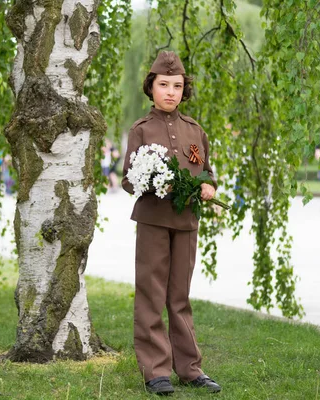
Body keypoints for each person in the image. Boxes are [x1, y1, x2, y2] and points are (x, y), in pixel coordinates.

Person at [122, 51, 221, 395]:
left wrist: (209, 184)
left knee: (180, 297)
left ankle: (190, 368)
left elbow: (206, 170)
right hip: (152, 222)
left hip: (186, 224)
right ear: (151, 87)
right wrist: (149, 182)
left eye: (177, 86)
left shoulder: (195, 130)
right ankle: (155, 371)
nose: (170, 92)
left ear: (184, 90)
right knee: (151, 294)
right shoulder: (141, 130)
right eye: (163, 85)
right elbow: (127, 180)